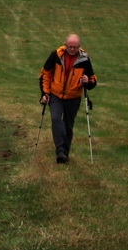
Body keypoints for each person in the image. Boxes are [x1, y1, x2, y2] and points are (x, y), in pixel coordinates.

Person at [38, 33, 97, 163]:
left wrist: (87, 81)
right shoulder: (56, 55)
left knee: (68, 125)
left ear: (79, 47)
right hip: (56, 95)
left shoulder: (84, 59)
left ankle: (65, 154)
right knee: (55, 118)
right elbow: (45, 74)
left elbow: (92, 81)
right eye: (69, 47)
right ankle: (60, 151)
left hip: (73, 97)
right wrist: (45, 93)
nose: (72, 50)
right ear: (65, 45)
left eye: (74, 47)